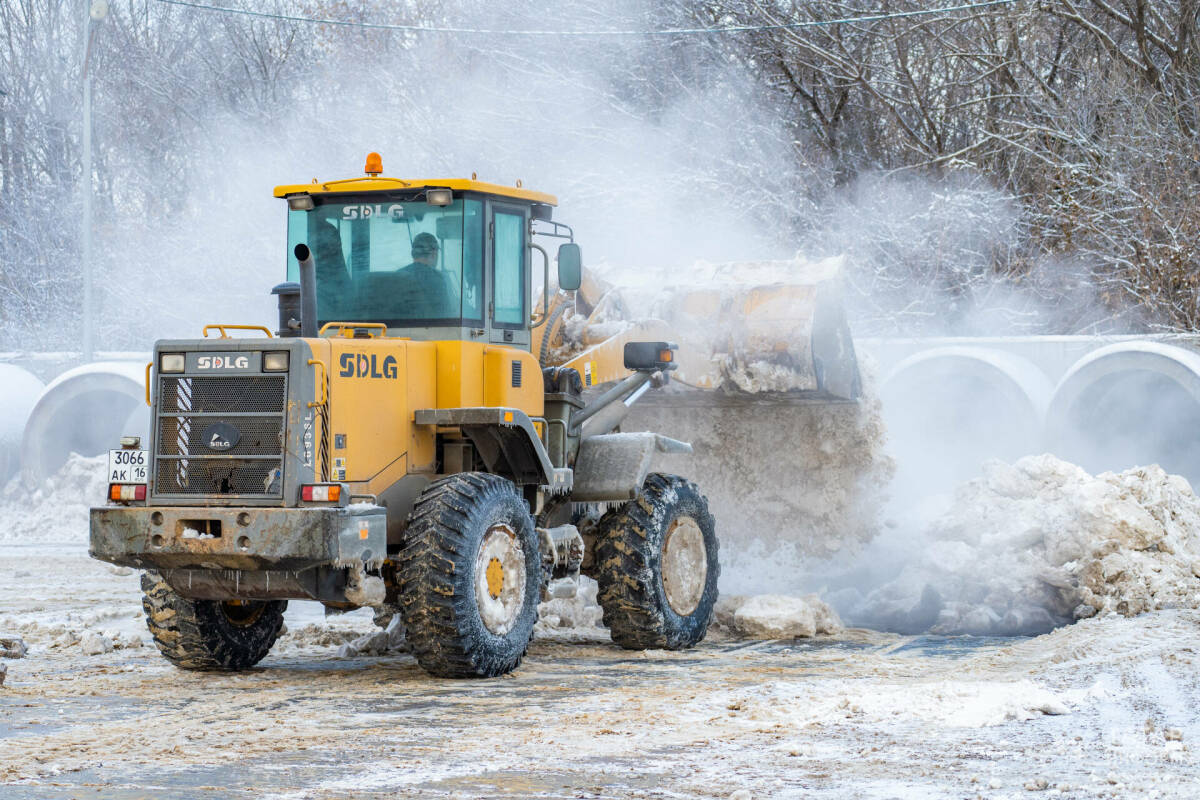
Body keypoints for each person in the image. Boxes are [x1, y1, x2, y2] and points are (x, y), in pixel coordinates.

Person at [395, 232, 457, 319]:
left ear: (413, 253)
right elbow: (448, 314)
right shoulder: (439, 279)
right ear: (434, 253)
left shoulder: (397, 275)